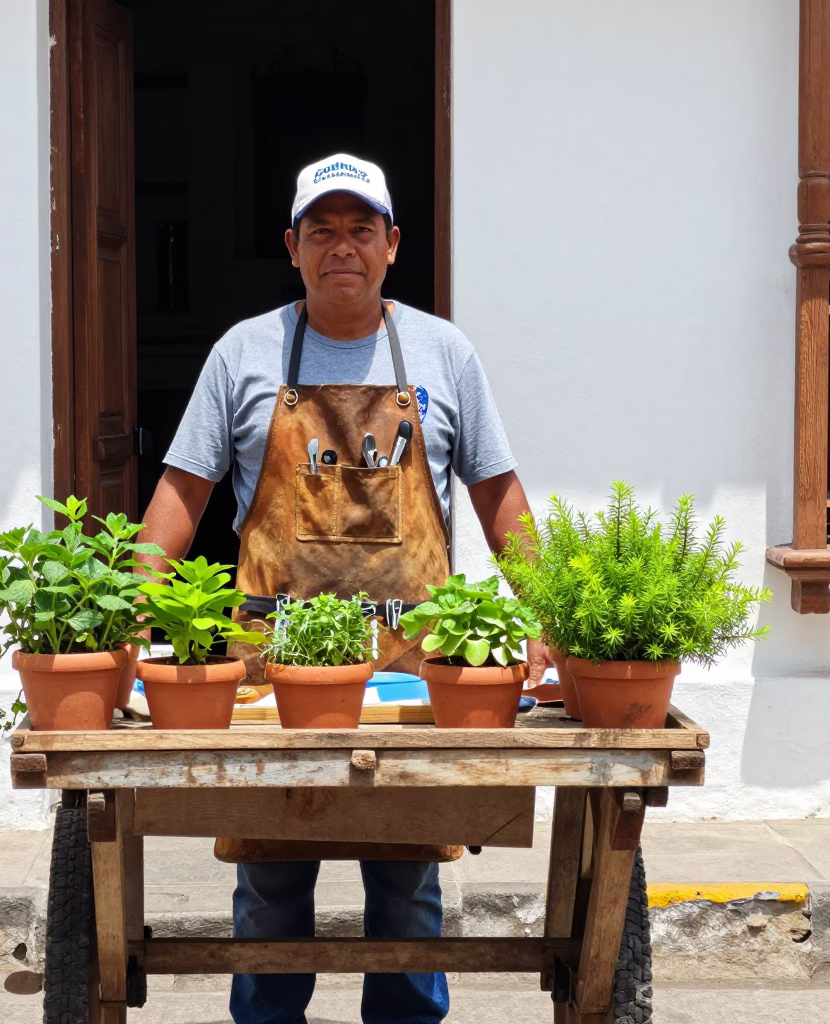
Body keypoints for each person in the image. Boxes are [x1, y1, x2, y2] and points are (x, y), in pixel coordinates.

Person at [129, 153, 550, 1024]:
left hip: (413, 674)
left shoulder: (445, 351)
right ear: (293, 246)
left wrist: (551, 617)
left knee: (408, 886)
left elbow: (497, 493)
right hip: (277, 680)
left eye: (362, 230)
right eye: (323, 231)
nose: (343, 247)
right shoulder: (242, 352)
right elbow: (183, 491)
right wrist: (130, 611)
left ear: (392, 245)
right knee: (270, 883)